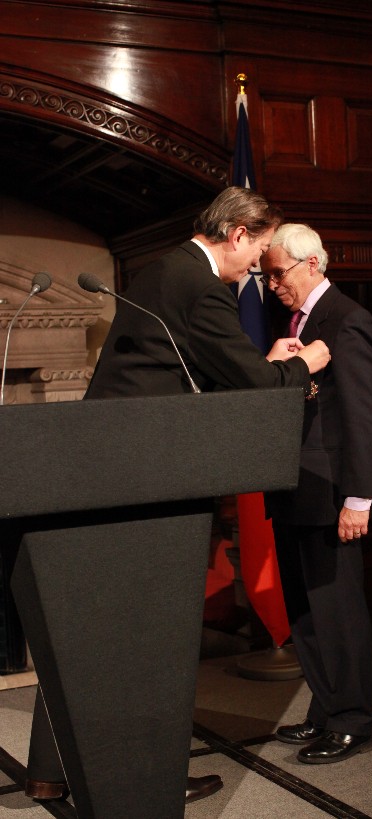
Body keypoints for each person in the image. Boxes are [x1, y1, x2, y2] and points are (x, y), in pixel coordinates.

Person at [24, 188, 330, 805]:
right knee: (146, 636)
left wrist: (265, 362)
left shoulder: (163, 269)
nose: (257, 266)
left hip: (109, 470)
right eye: (258, 251)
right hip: (149, 480)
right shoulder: (200, 285)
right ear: (238, 233)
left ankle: (51, 770)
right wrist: (305, 365)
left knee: (82, 627)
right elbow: (251, 382)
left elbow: (192, 372)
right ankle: (147, 778)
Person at [261, 223, 372, 764]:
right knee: (307, 612)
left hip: (332, 493)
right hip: (294, 488)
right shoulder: (292, 324)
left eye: (278, 274)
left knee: (338, 612)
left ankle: (352, 719)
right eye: (267, 277)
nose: (272, 285)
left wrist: (358, 499)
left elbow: (365, 416)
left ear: (312, 263)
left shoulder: (348, 318)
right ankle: (326, 709)